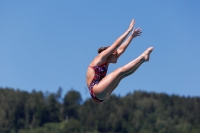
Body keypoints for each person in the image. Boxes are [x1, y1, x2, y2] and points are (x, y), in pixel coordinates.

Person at [86, 19, 154, 102]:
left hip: (101, 94)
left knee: (122, 74)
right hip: (96, 90)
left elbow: (121, 48)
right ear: (109, 54)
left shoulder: (106, 62)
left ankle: (143, 60)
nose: (117, 55)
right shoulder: (99, 58)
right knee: (119, 71)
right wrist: (128, 30)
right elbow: (117, 44)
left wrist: (131, 36)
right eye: (115, 54)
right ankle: (142, 57)